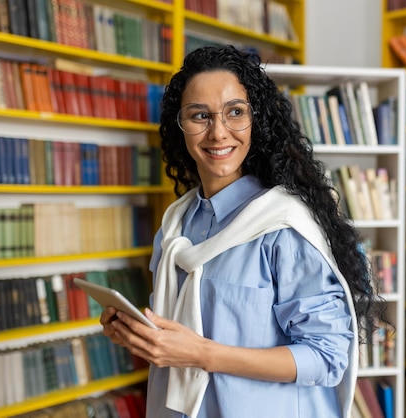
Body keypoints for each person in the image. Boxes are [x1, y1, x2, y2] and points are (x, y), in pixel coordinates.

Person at [100, 45, 388, 418]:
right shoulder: (175, 226)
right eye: (199, 115)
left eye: (235, 112)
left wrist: (202, 354)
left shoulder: (283, 227)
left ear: (257, 121)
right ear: (180, 126)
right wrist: (140, 335)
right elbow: (179, 335)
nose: (218, 132)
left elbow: (326, 357)